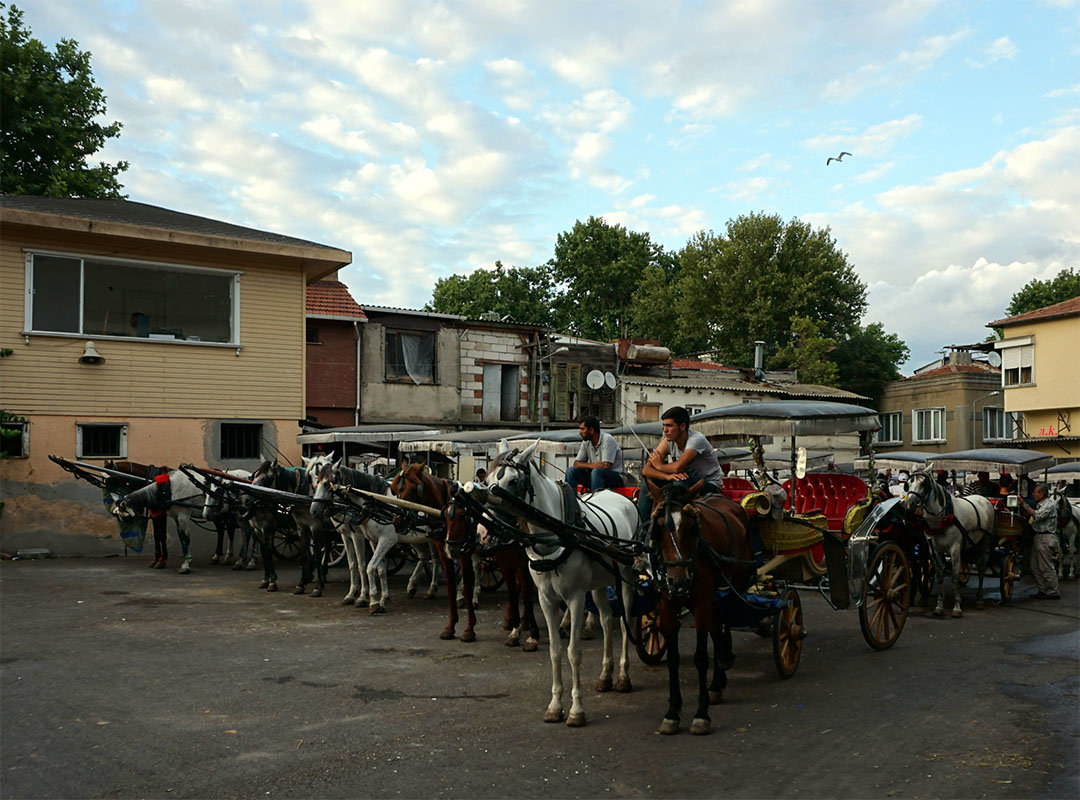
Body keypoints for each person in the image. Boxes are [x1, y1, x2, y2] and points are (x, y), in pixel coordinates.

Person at [637, 406, 723, 523]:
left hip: (708, 484)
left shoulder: (696, 440)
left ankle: (679, 524)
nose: (665, 430)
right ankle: (643, 526)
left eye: (669, 426)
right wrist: (667, 476)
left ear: (682, 426)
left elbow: (678, 467)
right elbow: (646, 471)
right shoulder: (667, 441)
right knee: (649, 482)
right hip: (680, 479)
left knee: (679, 483)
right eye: (664, 426)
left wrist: (660, 466)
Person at [1018, 483, 1061, 600]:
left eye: (1035, 492)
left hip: (1045, 538)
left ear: (1041, 494)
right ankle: (1043, 589)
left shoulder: (1048, 505)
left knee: (1045, 566)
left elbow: (1037, 515)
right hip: (1039, 537)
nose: (1033, 494)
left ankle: (1053, 591)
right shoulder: (1039, 504)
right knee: (1035, 566)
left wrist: (1024, 504)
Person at [565, 415, 624, 491]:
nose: (580, 433)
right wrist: (591, 465)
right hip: (595, 475)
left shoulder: (607, 439)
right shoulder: (586, 442)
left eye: (582, 429)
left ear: (591, 430)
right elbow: (576, 464)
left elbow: (606, 466)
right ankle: (571, 499)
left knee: (597, 472)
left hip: (615, 477)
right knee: (570, 471)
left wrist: (589, 466)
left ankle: (596, 500)